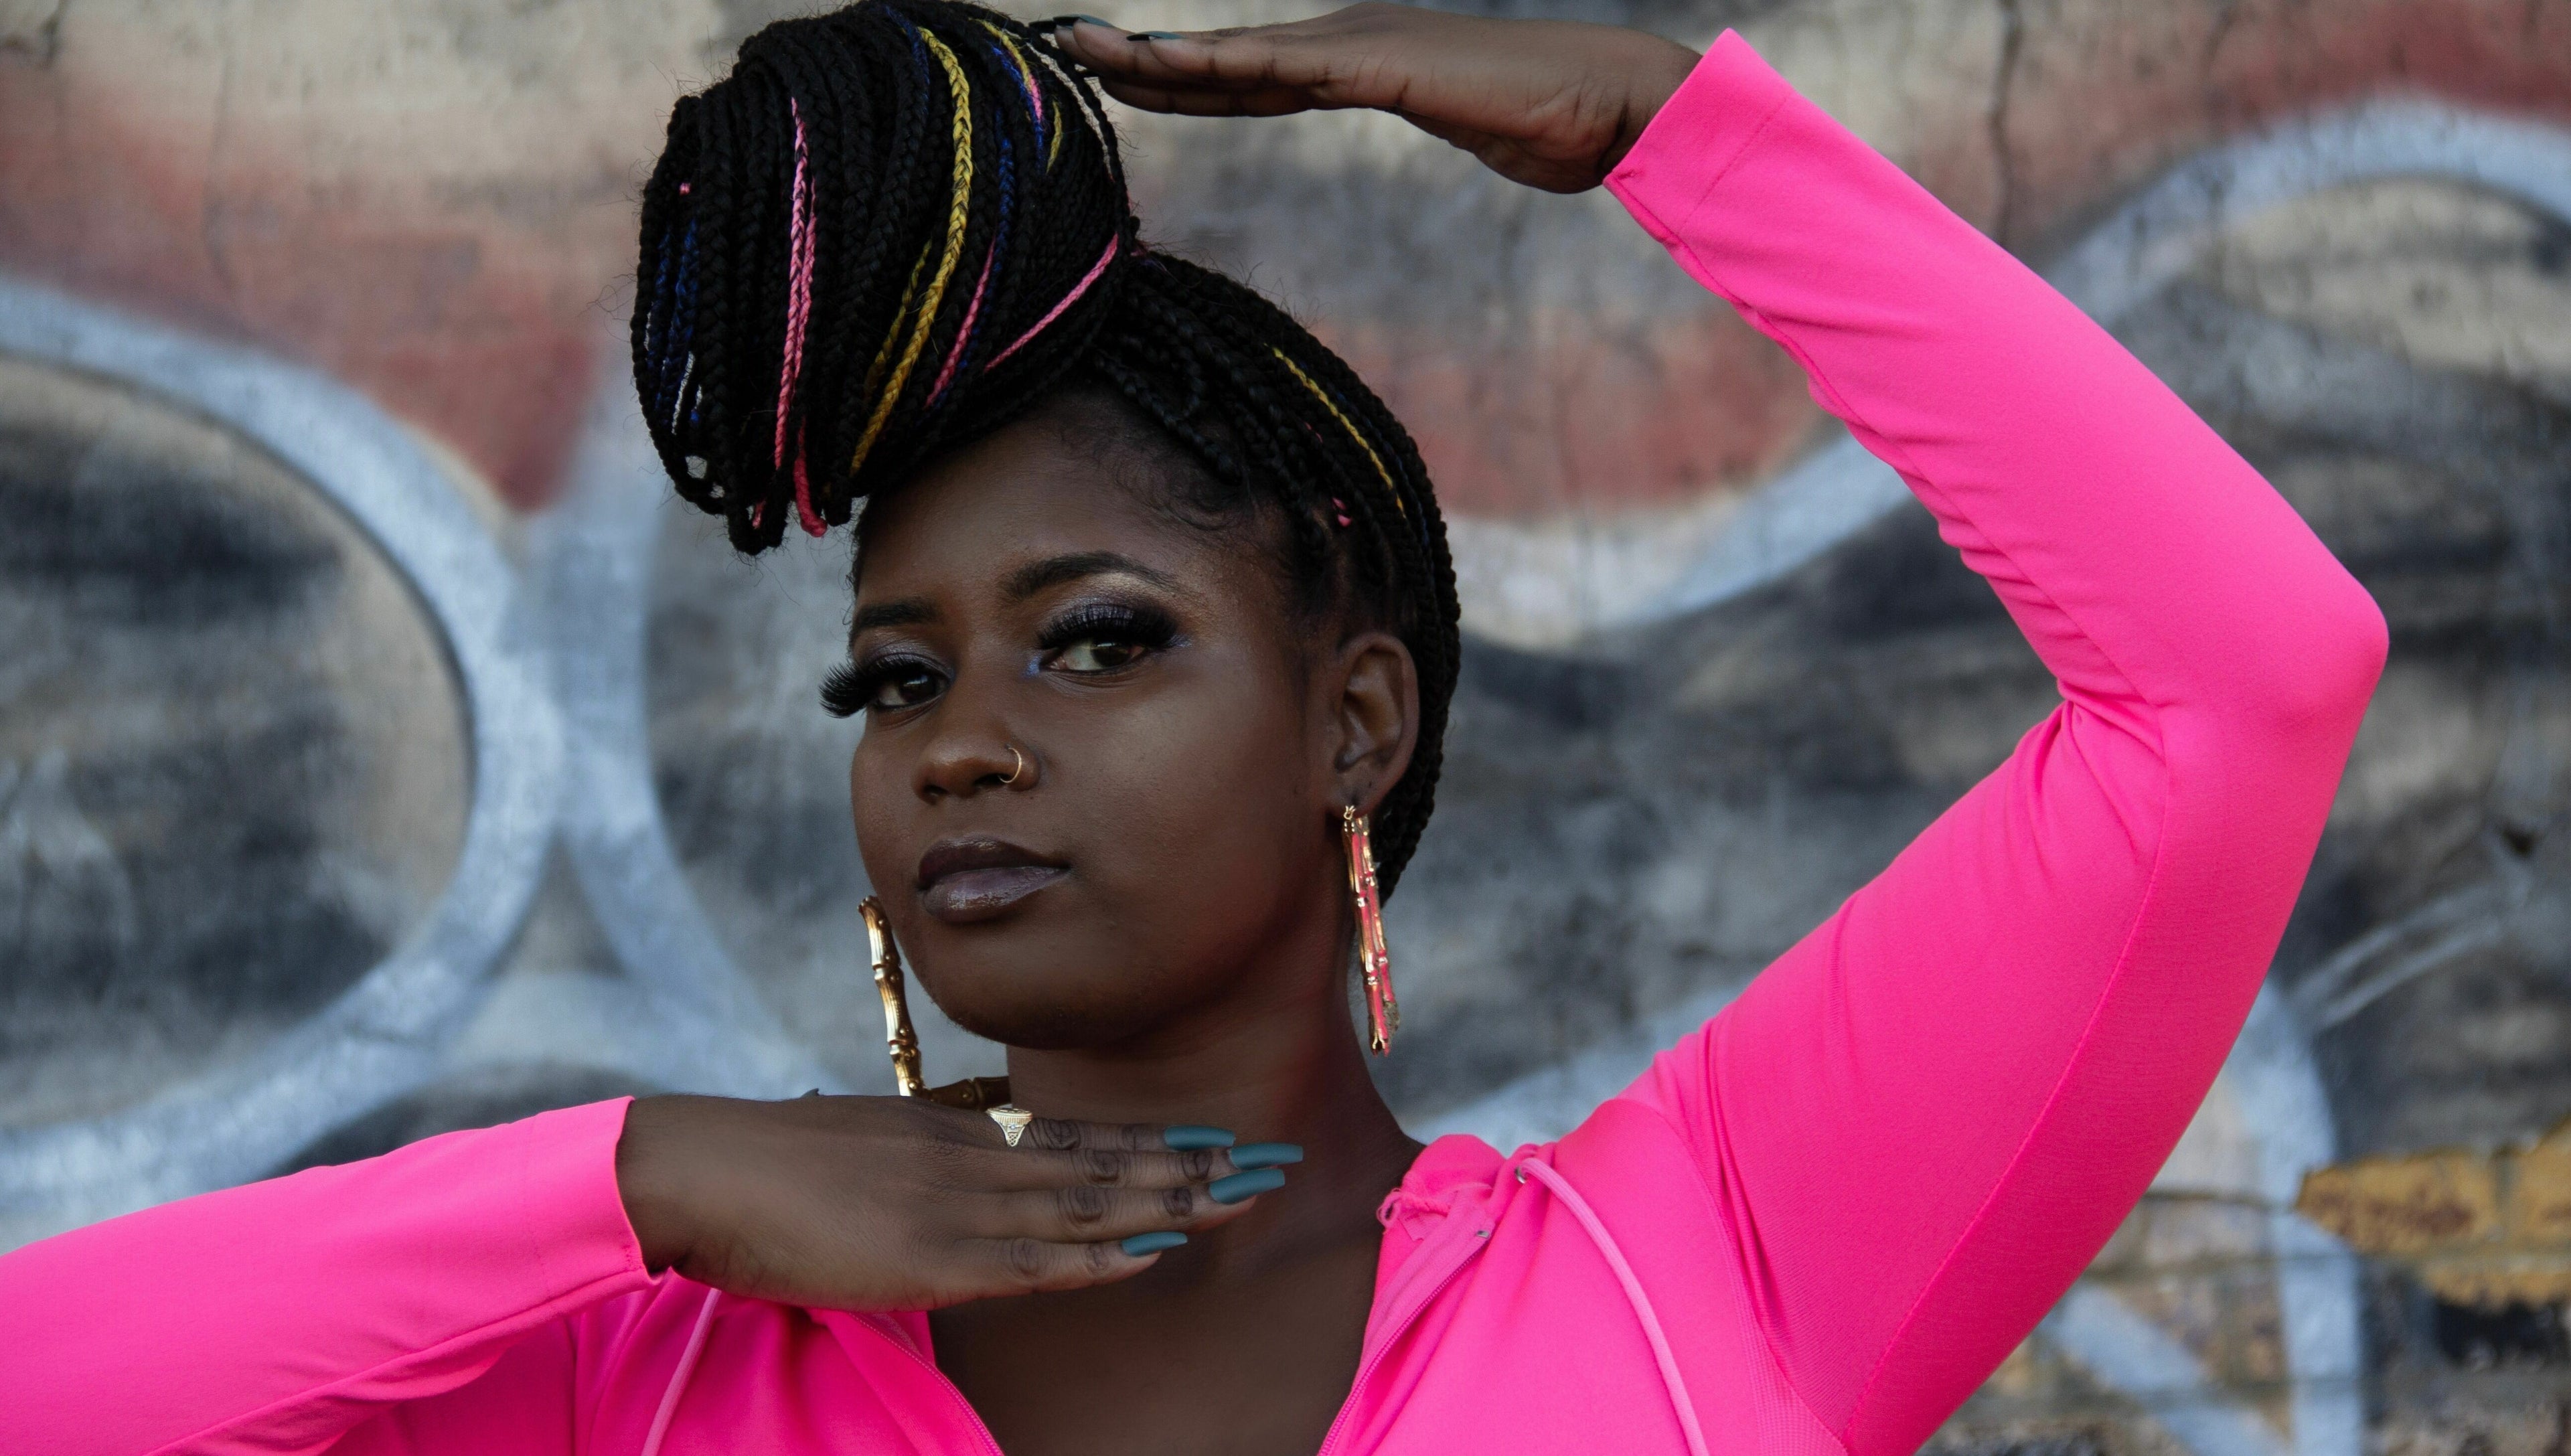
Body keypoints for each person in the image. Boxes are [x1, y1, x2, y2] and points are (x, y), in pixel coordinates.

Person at [0, 3, 2387, 1453]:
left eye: (1098, 640)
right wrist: (620, 1182)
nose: (959, 744)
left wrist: (1681, 136)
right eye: (896, 679)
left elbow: (2247, 676)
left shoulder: (1713, 1262)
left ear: (1356, 723)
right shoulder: (648, 1366)